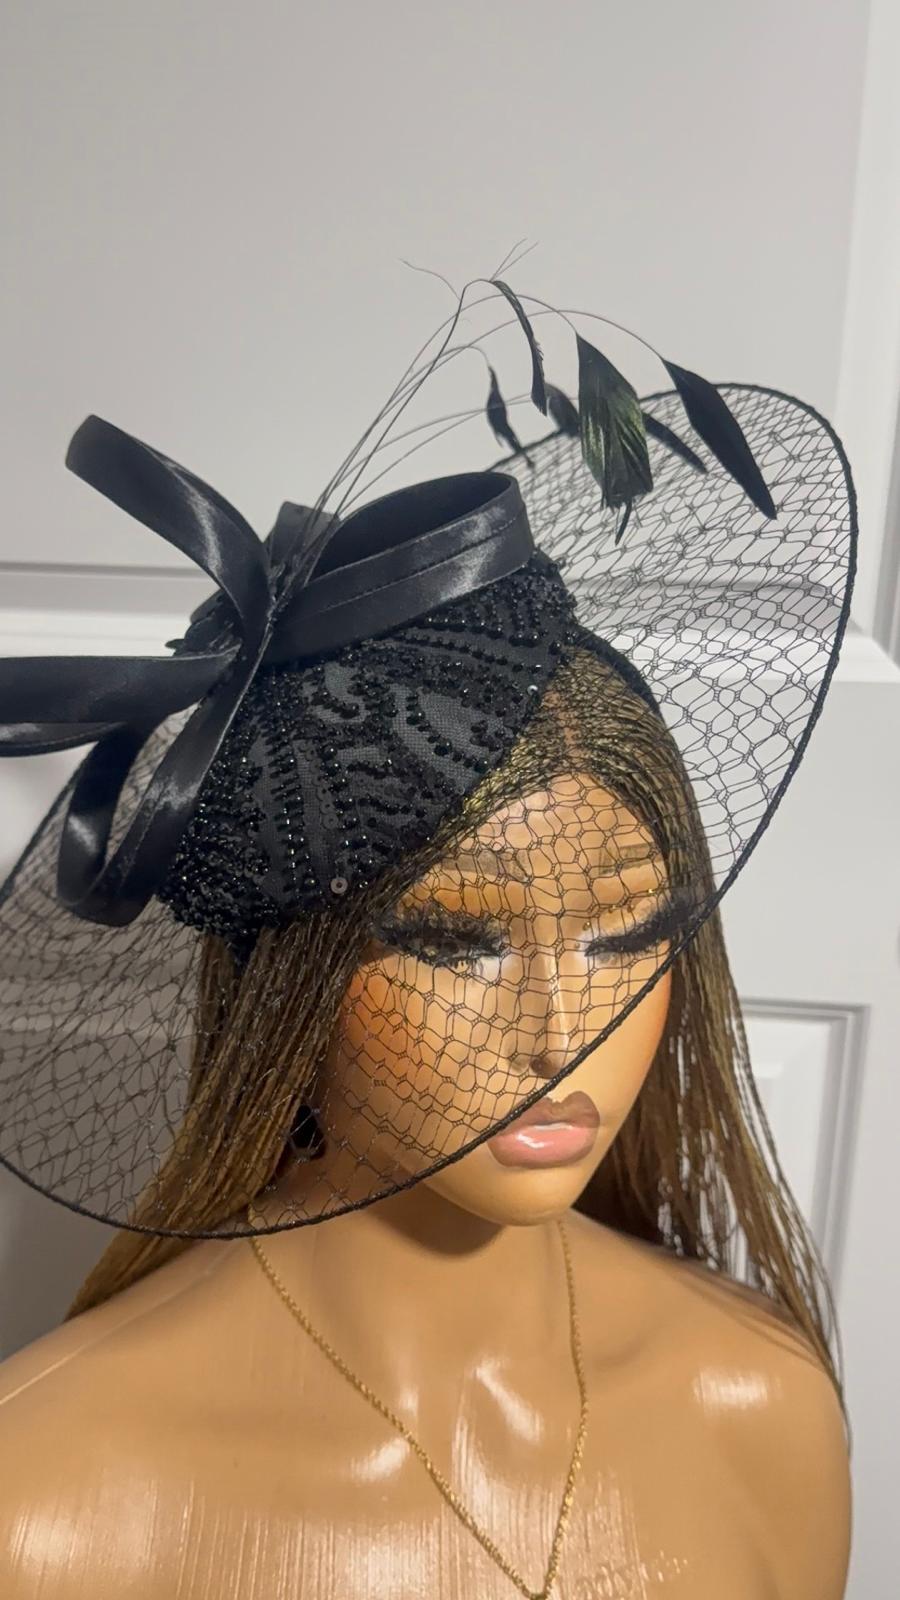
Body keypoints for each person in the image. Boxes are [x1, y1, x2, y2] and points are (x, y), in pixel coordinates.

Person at [0, 275, 856, 1597]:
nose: (559, 1036)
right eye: (456, 942)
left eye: (630, 934)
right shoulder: (51, 1495)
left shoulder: (760, 1402)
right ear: (293, 960)